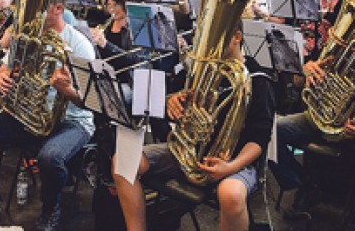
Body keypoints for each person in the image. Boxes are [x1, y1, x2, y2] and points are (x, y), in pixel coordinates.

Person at [0, 0, 95, 231]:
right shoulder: (25, 38)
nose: (25, 14)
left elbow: (91, 102)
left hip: (72, 120)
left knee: (50, 158)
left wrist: (68, 90)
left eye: (36, 8)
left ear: (57, 9)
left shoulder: (80, 46)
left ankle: (51, 209)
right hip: (30, 115)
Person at [113, 27, 274, 231]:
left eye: (213, 38)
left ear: (236, 38)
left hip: (234, 161)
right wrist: (172, 103)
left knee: (231, 194)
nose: (205, 46)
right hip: (189, 153)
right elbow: (172, 110)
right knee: (123, 161)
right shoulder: (201, 70)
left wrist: (231, 167)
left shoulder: (259, 79)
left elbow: (260, 137)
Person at [276, 58, 355, 229]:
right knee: (271, 132)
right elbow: (297, 82)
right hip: (317, 119)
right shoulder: (334, 45)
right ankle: (305, 186)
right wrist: (305, 70)